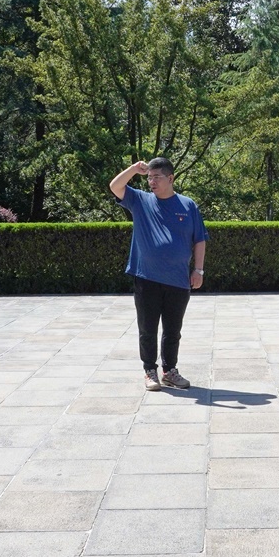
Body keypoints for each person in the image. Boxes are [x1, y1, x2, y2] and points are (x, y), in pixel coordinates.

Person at [109, 157, 207, 391]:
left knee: (173, 330)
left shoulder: (188, 205)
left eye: (157, 177)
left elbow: (200, 239)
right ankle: (149, 371)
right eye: (149, 178)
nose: (151, 182)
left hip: (178, 279)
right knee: (147, 329)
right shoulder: (140, 200)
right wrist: (134, 169)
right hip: (146, 277)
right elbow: (115, 186)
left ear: (170, 178)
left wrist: (198, 270)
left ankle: (170, 371)